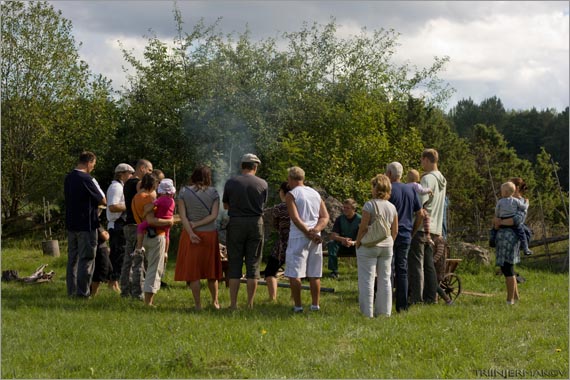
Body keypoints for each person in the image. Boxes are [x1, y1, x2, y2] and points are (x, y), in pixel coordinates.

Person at [222, 153, 268, 309]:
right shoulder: (263, 184)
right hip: (256, 223)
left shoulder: (231, 182)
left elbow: (226, 206)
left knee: (234, 263)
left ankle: (233, 304)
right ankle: (250, 304)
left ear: (242, 166)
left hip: (235, 223)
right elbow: (262, 205)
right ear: (255, 167)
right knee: (253, 263)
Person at [175, 166, 223, 310]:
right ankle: (215, 302)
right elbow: (213, 216)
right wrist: (198, 223)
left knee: (193, 272)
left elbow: (182, 216)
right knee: (211, 271)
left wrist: (191, 232)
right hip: (210, 234)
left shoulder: (183, 191)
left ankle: (198, 305)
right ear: (208, 177)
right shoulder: (214, 192)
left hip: (190, 235)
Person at [284, 166, 329, 313]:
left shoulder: (291, 194)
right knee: (314, 273)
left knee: (295, 273)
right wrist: (316, 230)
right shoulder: (315, 193)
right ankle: (315, 305)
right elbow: (325, 216)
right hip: (315, 237)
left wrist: (307, 232)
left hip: (298, 236)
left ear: (290, 179)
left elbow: (295, 218)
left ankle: (298, 306)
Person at [354, 174, 398, 318]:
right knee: (385, 279)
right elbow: (395, 230)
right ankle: (385, 312)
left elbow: (363, 226)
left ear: (375, 187)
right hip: (387, 246)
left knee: (367, 279)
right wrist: (390, 242)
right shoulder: (392, 207)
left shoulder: (369, 205)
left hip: (369, 246)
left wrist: (358, 242)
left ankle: (367, 313)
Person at [64, 151, 106, 298]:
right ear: (89, 162)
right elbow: (103, 200)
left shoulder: (69, 178)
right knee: (86, 259)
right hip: (86, 224)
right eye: (93, 165)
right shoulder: (86, 179)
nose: (93, 168)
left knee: (72, 259)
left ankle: (72, 291)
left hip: (71, 224)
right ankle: (82, 293)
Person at [408, 149, 447, 305]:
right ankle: (432, 298)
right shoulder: (442, 179)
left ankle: (417, 298)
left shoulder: (427, 180)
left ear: (426, 159)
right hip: (435, 228)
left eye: (422, 160)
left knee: (417, 265)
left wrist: (413, 228)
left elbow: (419, 206)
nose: (421, 164)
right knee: (429, 266)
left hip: (423, 227)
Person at [132, 173, 174, 306]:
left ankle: (142, 296)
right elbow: (151, 220)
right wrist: (170, 221)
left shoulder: (136, 197)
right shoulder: (149, 197)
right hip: (155, 235)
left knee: (144, 267)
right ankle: (148, 302)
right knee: (154, 269)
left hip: (142, 234)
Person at [386, 162, 422, 312]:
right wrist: (413, 230)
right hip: (406, 233)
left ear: (389, 174)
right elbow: (420, 213)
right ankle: (402, 305)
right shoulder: (410, 189)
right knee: (402, 270)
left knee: (387, 269)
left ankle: (385, 304)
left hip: (389, 234)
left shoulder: (388, 190)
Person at [120, 159, 153, 300]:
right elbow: (143, 199)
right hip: (136, 225)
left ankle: (125, 291)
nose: (150, 174)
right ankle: (137, 292)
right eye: (150, 170)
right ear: (142, 168)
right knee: (138, 260)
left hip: (127, 224)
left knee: (128, 259)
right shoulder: (139, 184)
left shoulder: (127, 183)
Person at [494, 177, 530, 305]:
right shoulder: (505, 202)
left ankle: (510, 300)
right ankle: (516, 297)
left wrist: (501, 221)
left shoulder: (521, 202)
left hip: (512, 237)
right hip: (502, 236)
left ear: (517, 188)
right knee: (507, 268)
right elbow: (495, 218)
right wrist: (497, 223)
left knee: (508, 268)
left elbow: (517, 220)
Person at [106, 163, 134, 293]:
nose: (132, 176)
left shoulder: (121, 186)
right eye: (130, 173)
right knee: (117, 255)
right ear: (122, 174)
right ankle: (112, 282)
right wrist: (129, 205)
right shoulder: (116, 187)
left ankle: (114, 281)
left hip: (120, 224)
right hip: (117, 224)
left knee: (120, 255)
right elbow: (113, 206)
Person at [132, 178, 176, 257]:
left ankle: (139, 247)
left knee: (140, 227)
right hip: (167, 222)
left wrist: (144, 213)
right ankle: (166, 252)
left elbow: (151, 207)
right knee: (167, 236)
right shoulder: (172, 201)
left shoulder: (160, 199)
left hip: (158, 222)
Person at [263, 181, 291, 301]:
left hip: (283, 243)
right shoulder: (300, 206)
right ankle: (294, 298)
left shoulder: (279, 208)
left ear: (283, 192)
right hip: (298, 242)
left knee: (270, 271)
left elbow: (275, 225)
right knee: (297, 273)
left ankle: (272, 298)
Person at [492, 181, 532, 256]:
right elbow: (523, 207)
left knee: (521, 232)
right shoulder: (515, 201)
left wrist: (498, 219)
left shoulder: (502, 201)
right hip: (509, 225)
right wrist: (526, 204)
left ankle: (492, 241)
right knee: (521, 233)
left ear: (517, 188)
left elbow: (516, 220)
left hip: (507, 223)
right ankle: (526, 248)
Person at [326, 199, 361, 279]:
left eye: (347, 208)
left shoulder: (360, 219)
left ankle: (362, 271)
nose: (345, 210)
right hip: (342, 245)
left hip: (356, 245)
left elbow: (363, 236)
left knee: (364, 246)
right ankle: (334, 271)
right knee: (331, 244)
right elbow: (333, 235)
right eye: (344, 207)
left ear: (353, 209)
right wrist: (343, 240)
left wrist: (353, 242)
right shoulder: (340, 219)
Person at [407, 169, 435, 247]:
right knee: (426, 217)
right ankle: (428, 235)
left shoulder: (406, 185)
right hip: (416, 206)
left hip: (409, 207)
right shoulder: (416, 185)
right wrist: (429, 190)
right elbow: (422, 191)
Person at [91, 207, 113, 296]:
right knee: (100, 272)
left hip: (101, 248)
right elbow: (105, 236)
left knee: (109, 269)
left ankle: (113, 287)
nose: (101, 212)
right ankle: (93, 293)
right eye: (100, 210)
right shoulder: (96, 222)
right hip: (100, 249)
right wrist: (107, 233)